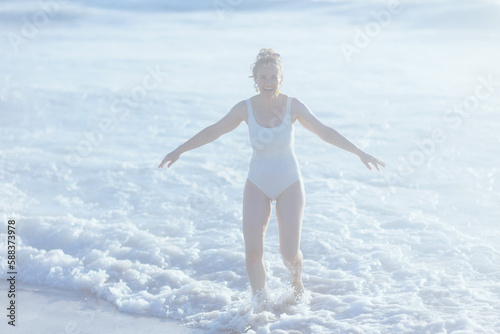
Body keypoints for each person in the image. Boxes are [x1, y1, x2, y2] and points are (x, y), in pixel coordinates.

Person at [158, 48, 385, 299]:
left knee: (289, 253)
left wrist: (359, 152)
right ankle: (261, 302)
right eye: (263, 77)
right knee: (253, 252)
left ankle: (297, 281)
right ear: (255, 79)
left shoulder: (292, 106)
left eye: (273, 77)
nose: (268, 83)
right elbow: (213, 131)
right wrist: (180, 150)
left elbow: (325, 131)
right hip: (257, 184)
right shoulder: (244, 108)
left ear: (281, 79)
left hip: (289, 183)